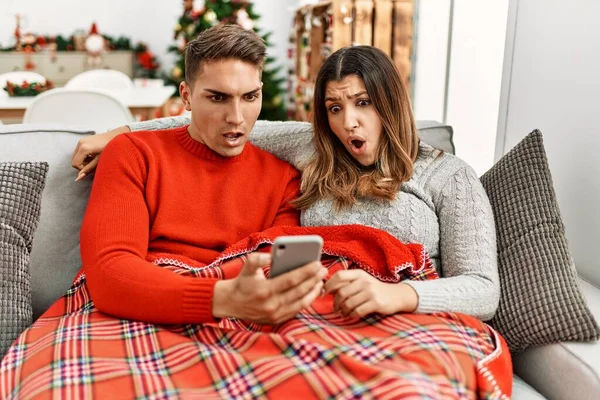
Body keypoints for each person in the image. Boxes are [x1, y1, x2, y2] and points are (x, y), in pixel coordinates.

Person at [73, 45, 499, 321]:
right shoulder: (314, 146)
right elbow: (221, 121)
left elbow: (483, 290)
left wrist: (399, 296)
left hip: (403, 312)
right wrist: (125, 133)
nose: (347, 121)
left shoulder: (449, 175)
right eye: (334, 108)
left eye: (363, 103)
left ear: (392, 100)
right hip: (318, 313)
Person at [79, 23, 328, 326]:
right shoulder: (133, 153)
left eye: (250, 97)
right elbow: (110, 274)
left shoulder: (284, 180)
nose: (236, 118)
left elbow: (275, 279)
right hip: (138, 310)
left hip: (242, 318)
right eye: (218, 98)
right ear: (186, 96)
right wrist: (220, 298)